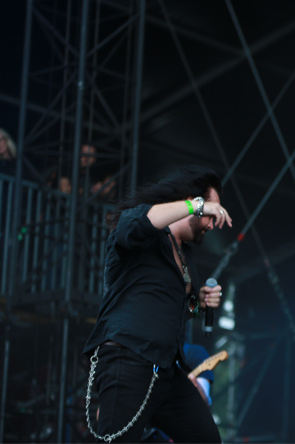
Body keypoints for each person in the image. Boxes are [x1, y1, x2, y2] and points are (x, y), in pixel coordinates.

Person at [83, 165, 232, 443]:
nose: (212, 224)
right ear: (190, 202)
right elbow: (135, 223)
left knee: (207, 438)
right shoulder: (145, 230)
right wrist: (198, 205)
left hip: (165, 370)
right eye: (210, 213)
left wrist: (198, 305)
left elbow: (172, 313)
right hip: (128, 360)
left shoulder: (185, 256)